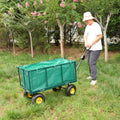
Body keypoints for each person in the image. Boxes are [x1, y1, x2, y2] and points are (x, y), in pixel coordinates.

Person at [83, 11, 103, 85]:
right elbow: (85, 36)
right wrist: (86, 42)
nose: (86, 22)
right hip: (89, 48)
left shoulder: (96, 26)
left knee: (92, 63)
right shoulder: (88, 26)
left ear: (90, 19)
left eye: (87, 20)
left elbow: (100, 36)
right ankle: (91, 75)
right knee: (88, 62)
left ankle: (94, 79)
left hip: (96, 48)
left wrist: (91, 43)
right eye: (85, 20)